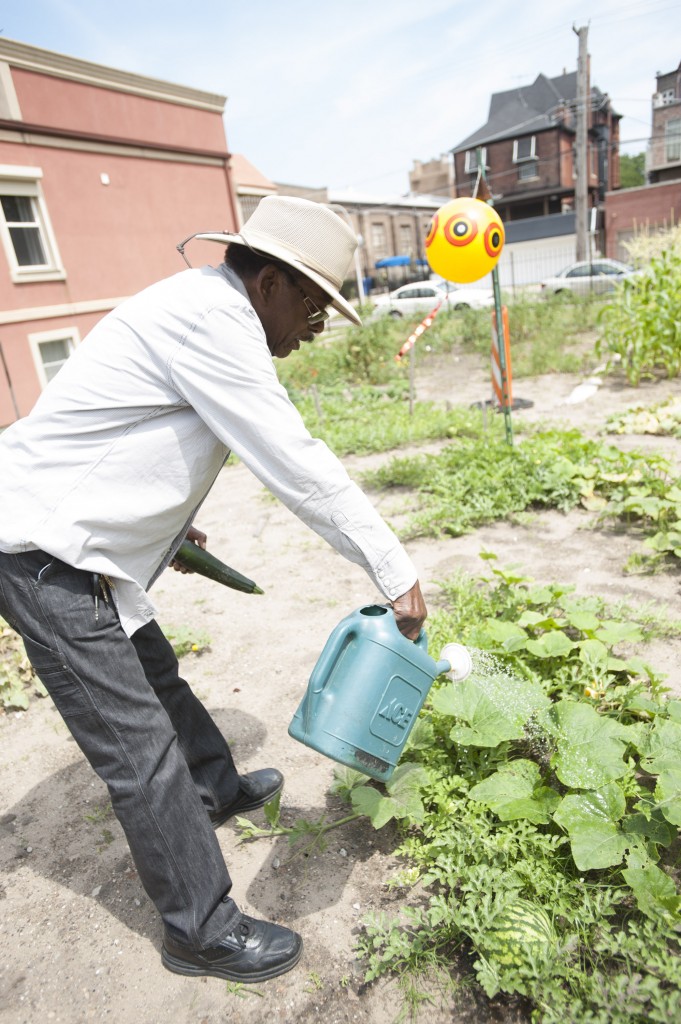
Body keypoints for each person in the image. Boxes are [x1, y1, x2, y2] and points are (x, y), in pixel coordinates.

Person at [0, 195, 427, 984]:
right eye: (312, 302)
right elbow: (289, 457)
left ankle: (217, 788)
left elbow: (136, 429)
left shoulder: (206, 308)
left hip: (86, 545)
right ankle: (199, 930)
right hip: (45, 557)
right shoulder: (213, 321)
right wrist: (391, 566)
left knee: (161, 680)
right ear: (267, 282)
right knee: (139, 752)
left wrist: (166, 526)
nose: (318, 322)